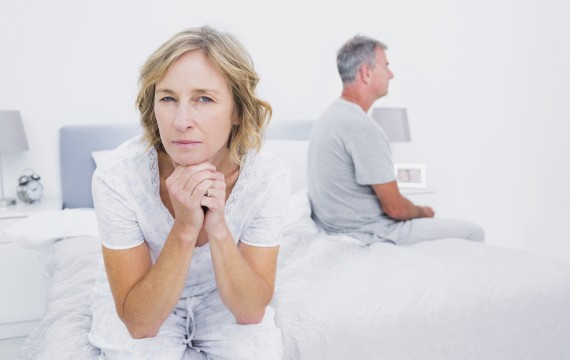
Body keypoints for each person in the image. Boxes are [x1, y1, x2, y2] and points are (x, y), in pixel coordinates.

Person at [88, 25, 290, 360]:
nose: (181, 121)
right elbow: (140, 323)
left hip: (220, 292)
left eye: (204, 99)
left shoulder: (268, 177)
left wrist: (218, 227)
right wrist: (184, 228)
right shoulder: (117, 175)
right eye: (167, 98)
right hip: (146, 290)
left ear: (238, 110)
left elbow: (250, 311)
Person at [307, 34, 484, 246]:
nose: (391, 74)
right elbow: (396, 209)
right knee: (474, 232)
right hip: (372, 231)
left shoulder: (329, 117)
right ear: (366, 73)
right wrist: (422, 211)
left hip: (339, 227)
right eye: (386, 66)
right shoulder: (363, 127)